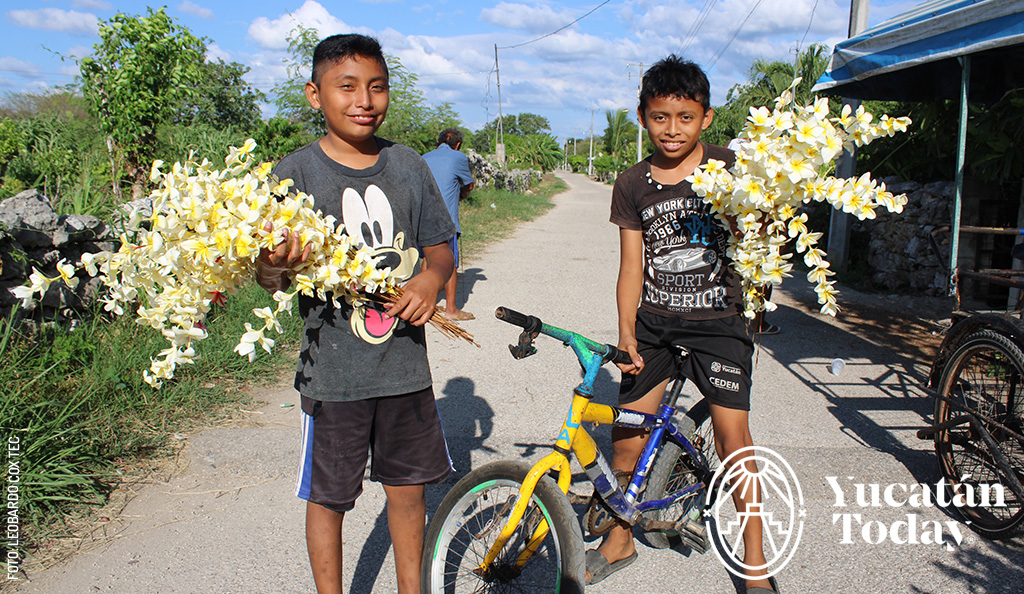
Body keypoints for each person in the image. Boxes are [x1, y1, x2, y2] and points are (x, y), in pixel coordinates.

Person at [254, 33, 456, 594]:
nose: (364, 99)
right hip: (333, 375)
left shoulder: (408, 166)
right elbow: (267, 276)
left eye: (376, 86)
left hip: (404, 371)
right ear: (315, 95)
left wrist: (431, 278)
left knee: (409, 491)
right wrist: (275, 264)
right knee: (329, 497)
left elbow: (441, 246)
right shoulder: (293, 175)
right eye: (346, 87)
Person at [596, 55, 777, 593]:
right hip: (653, 325)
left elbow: (763, 240)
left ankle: (756, 561)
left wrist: (759, 298)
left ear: (707, 117)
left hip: (719, 325)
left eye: (685, 117)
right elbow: (633, 265)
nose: (672, 129)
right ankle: (622, 536)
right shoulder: (631, 183)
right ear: (641, 116)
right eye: (659, 117)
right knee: (627, 439)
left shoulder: (733, 168)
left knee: (732, 439)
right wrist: (627, 329)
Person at [422, 128, 476, 321]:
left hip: (424, 217)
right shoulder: (458, 157)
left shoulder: (424, 157)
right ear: (458, 144)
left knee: (428, 260)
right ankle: (451, 309)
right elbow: (468, 184)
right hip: (447, 220)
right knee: (450, 261)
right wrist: (462, 193)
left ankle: (425, 303)